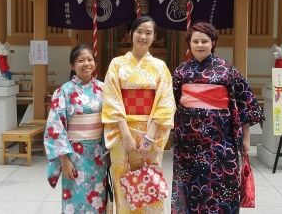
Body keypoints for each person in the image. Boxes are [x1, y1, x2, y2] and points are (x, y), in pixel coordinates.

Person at [171, 21, 264, 213]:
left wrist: (246, 138)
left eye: (204, 41)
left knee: (221, 188)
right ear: (189, 44)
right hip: (188, 144)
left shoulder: (227, 70)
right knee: (190, 190)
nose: (199, 45)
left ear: (213, 42)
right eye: (195, 41)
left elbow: (246, 102)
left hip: (221, 141)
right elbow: (171, 102)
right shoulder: (181, 71)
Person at [102, 16, 176, 213]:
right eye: (139, 32)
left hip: (150, 135)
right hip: (121, 133)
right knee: (122, 182)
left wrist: (151, 135)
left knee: (149, 185)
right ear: (131, 34)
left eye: (148, 33)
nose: (143, 36)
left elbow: (165, 102)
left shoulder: (160, 66)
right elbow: (112, 99)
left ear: (154, 36)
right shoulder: (117, 64)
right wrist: (125, 135)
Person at [44, 44, 108, 214]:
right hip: (74, 155)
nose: (86, 63)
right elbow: (55, 128)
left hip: (97, 154)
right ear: (72, 65)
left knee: (98, 199)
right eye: (81, 60)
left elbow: (111, 120)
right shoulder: (64, 91)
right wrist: (64, 160)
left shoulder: (103, 89)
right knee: (75, 200)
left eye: (90, 59)